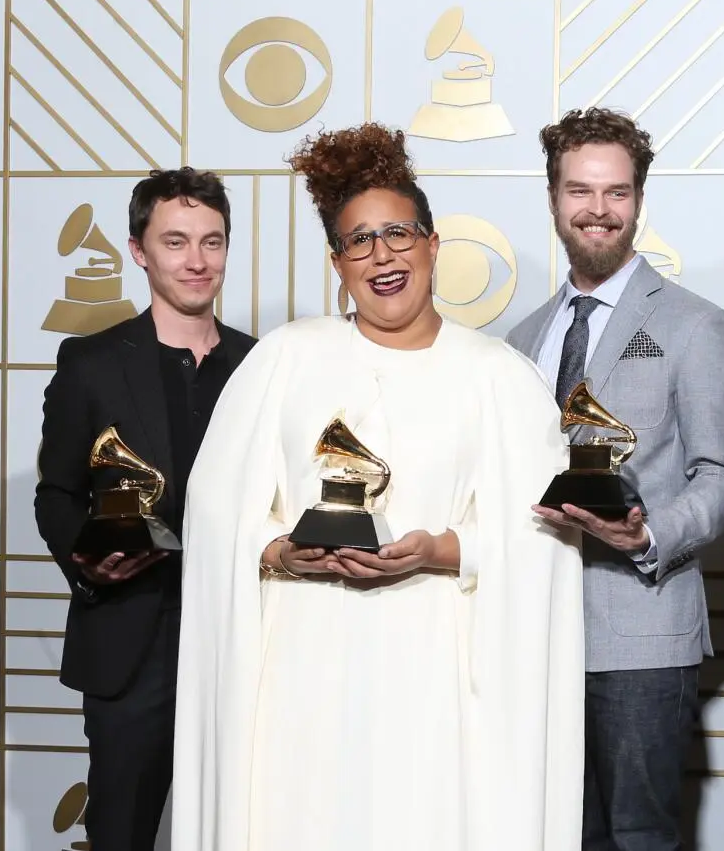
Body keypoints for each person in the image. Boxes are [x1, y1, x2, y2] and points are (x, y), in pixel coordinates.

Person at [171, 123, 585, 851]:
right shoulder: (286, 359)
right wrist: (277, 550)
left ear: (432, 245)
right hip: (303, 670)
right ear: (337, 262)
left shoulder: (497, 376)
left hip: (435, 678)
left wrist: (440, 548)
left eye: (399, 233)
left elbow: (544, 535)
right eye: (359, 240)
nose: (382, 253)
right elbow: (214, 511)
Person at [507, 107, 724, 851]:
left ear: (639, 201)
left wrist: (649, 533)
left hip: (641, 632)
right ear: (553, 199)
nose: (598, 210)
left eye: (616, 193)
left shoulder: (695, 326)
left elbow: (722, 477)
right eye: (580, 191)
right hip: (532, 634)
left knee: (638, 836)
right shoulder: (521, 339)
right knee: (546, 832)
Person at [33, 168, 255, 851]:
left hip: (239, 639)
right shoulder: (92, 363)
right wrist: (92, 562)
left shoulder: (260, 364)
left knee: (240, 829)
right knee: (122, 834)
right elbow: (57, 493)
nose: (197, 260)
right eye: (176, 241)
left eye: (212, 242)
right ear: (139, 250)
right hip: (132, 637)